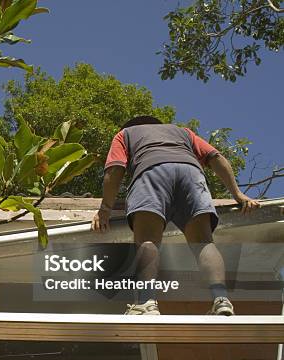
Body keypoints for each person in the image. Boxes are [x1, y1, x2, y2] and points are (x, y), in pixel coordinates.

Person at [92, 115, 260, 315]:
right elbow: (216, 157)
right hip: (191, 173)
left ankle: (146, 304)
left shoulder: (125, 134)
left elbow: (115, 169)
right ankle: (221, 300)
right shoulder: (182, 132)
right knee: (204, 242)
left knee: (148, 241)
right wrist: (238, 194)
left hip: (151, 172)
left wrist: (105, 209)